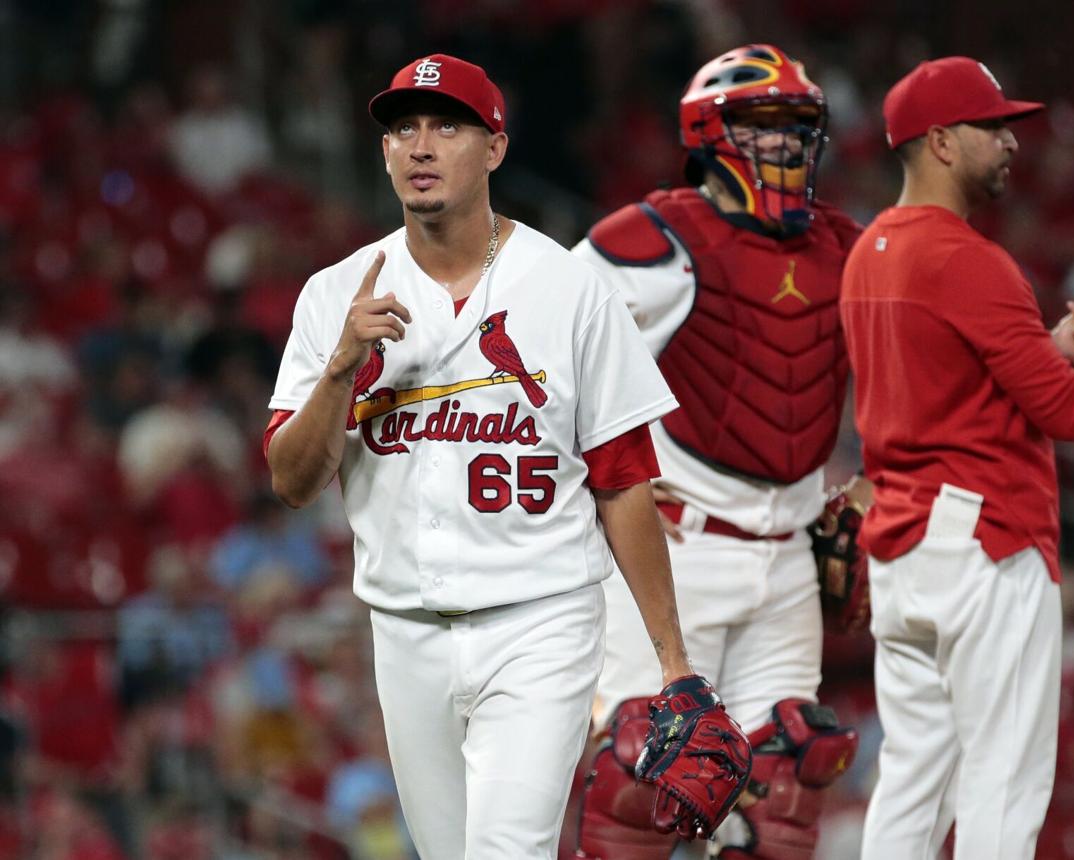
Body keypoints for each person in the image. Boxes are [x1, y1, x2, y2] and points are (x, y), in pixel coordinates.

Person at [264, 53, 744, 859]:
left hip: (542, 619)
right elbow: (290, 480)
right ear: (383, 153)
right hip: (405, 629)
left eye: (447, 126)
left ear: (495, 148)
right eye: (403, 129)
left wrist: (674, 662)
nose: (420, 146)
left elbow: (624, 480)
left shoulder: (568, 288)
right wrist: (341, 367)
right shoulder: (334, 295)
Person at [840, 56, 1074, 860]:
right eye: (992, 127)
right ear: (940, 141)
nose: (1011, 143)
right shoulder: (969, 258)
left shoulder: (869, 249)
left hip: (906, 548)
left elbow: (965, 386)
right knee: (1002, 788)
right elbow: (1065, 409)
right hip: (985, 543)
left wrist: (1067, 341)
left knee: (910, 788)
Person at [571, 44, 866, 860]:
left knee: (786, 791)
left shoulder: (846, 246)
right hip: (677, 548)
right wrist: (596, 487)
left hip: (790, 560)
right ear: (712, 132)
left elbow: (915, 365)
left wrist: (872, 489)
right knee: (644, 779)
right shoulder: (652, 236)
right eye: (764, 125)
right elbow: (540, 365)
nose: (786, 145)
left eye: (798, 127)